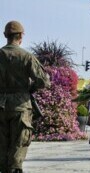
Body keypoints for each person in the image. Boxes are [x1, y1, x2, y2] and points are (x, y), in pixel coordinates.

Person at [0, 21, 50, 173]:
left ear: (5, 35)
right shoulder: (27, 57)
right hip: (21, 107)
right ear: (21, 36)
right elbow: (44, 81)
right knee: (19, 144)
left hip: (0, 106)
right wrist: (29, 88)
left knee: (1, 145)